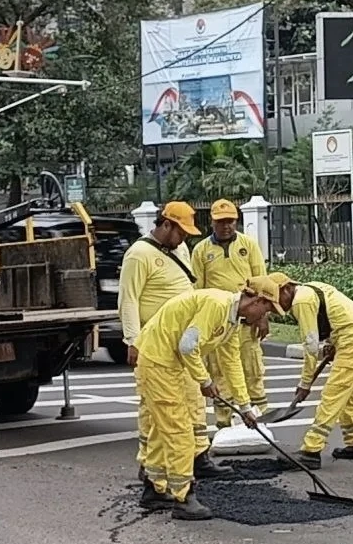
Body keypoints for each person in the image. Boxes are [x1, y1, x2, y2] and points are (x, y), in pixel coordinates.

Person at [134, 277, 285, 520]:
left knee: (164, 428)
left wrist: (245, 407)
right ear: (256, 300)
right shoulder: (217, 305)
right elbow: (187, 346)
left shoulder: (233, 320)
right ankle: (184, 497)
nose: (263, 317)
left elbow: (231, 363)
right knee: (178, 430)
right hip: (158, 361)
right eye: (266, 309)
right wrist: (205, 381)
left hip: (172, 362)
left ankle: (154, 489)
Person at [117, 201, 232, 483]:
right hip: (154, 343)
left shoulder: (180, 249)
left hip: (183, 340)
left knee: (193, 401)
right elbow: (128, 299)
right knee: (156, 408)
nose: (184, 238)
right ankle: (149, 465)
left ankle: (199, 455)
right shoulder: (139, 255)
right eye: (181, 231)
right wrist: (132, 340)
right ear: (166, 224)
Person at [267, 271, 353, 469]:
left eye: (277, 298)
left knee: (333, 395)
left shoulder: (300, 301)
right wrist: (332, 341)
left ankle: (311, 450)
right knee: (352, 394)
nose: (278, 306)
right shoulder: (310, 289)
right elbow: (334, 315)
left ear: (286, 288)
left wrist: (305, 384)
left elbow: (311, 346)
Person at [191, 198, 269, 428]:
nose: (227, 226)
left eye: (231, 221)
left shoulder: (248, 245)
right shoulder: (202, 250)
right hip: (218, 323)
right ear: (212, 222)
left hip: (247, 320)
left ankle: (260, 419)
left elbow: (261, 282)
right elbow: (198, 290)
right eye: (221, 222)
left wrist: (263, 316)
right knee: (219, 373)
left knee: (251, 369)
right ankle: (224, 423)